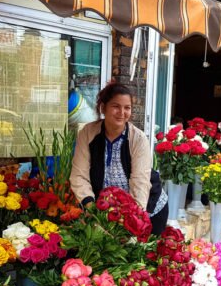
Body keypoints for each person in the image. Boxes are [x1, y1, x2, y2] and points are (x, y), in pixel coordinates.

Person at [70, 82, 168, 235]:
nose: (122, 112)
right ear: (103, 107)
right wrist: (91, 208)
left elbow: (140, 182)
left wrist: (134, 219)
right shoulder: (88, 133)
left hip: (147, 209)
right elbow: (79, 175)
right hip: (107, 213)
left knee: (143, 255)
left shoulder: (138, 139)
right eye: (116, 106)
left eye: (127, 107)